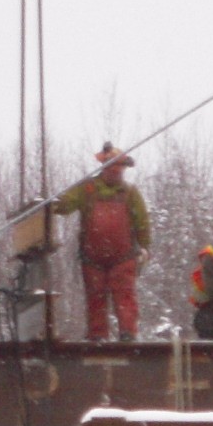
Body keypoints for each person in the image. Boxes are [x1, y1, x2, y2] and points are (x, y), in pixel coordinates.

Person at [53, 144, 151, 340]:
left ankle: (127, 334)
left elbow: (142, 222)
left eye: (119, 170)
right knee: (96, 297)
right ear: (103, 168)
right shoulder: (86, 189)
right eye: (112, 169)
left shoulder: (130, 192)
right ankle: (98, 337)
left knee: (124, 296)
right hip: (93, 257)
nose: (116, 173)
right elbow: (63, 207)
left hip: (123, 257)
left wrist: (145, 248)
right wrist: (51, 203)